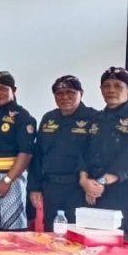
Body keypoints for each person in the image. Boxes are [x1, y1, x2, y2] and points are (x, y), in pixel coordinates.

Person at [80, 67, 128, 255]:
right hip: (95, 193)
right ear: (101, 89)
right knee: (97, 251)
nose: (111, 90)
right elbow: (83, 153)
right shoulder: (95, 119)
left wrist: (101, 182)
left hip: (124, 191)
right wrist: (85, 181)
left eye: (118, 85)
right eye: (106, 86)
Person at [29, 75, 97, 230]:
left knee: (77, 234)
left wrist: (92, 183)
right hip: (51, 188)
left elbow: (97, 155)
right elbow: (38, 155)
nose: (64, 97)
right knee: (51, 234)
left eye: (70, 92)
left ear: (81, 93)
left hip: (79, 189)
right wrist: (34, 187)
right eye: (59, 93)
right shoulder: (49, 118)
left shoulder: (94, 118)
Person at [0, 71, 37, 231]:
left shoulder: (23, 117)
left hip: (12, 179)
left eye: (3, 88)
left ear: (14, 90)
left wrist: (7, 180)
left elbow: (26, 153)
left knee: (12, 230)